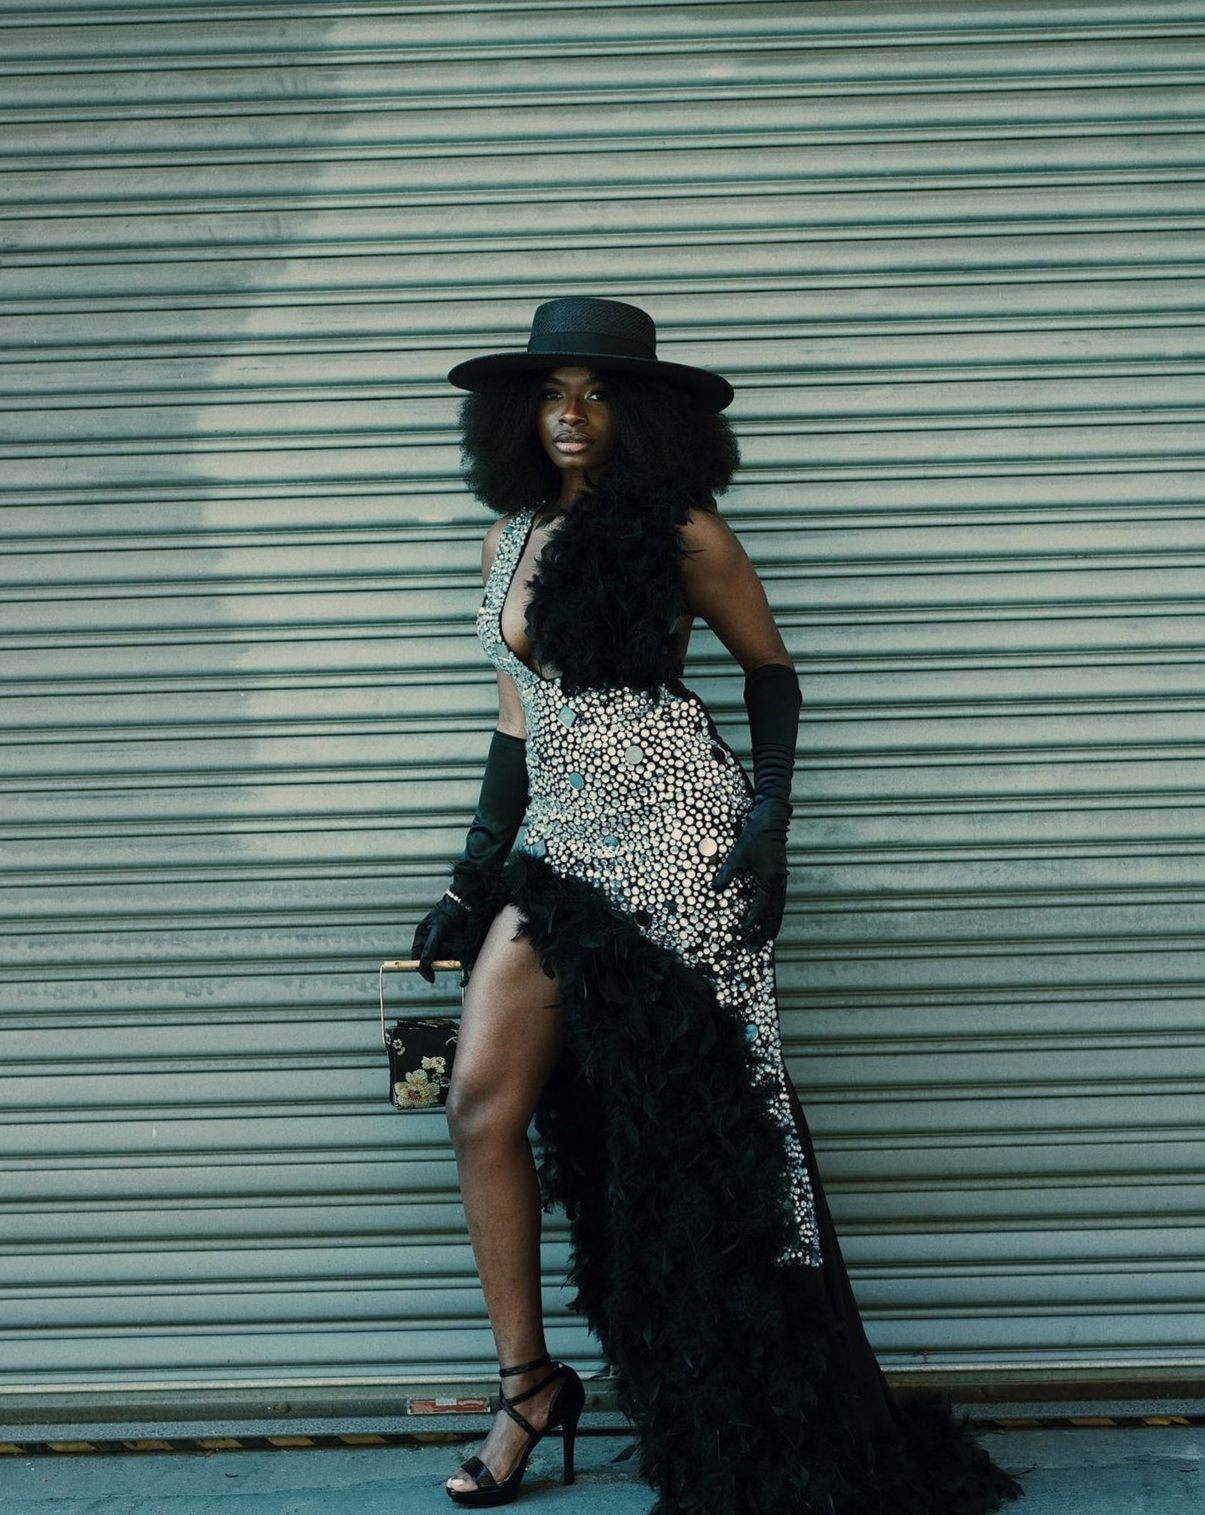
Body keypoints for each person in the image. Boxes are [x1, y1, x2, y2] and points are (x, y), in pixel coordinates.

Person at [412, 297, 1027, 1513]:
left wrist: (770, 820)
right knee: (480, 1103)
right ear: (517, 416)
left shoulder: (684, 529)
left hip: (680, 845)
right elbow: (516, 724)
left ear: (638, 414)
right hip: (558, 848)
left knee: (696, 1132)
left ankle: (735, 1409)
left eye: (597, 394)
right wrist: (465, 877)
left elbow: (770, 670)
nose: (571, 415)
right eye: (550, 395)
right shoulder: (506, 541)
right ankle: (527, 1386)